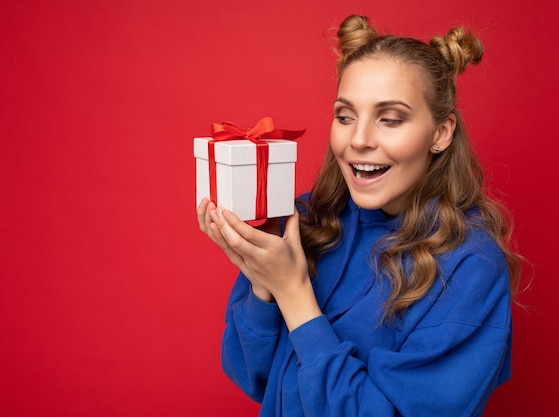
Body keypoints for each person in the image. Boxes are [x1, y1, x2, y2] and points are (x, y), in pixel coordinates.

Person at [197, 14, 523, 417]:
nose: (359, 139)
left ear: (441, 133)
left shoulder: (470, 267)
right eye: (345, 116)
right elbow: (252, 376)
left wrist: (294, 293)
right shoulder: (305, 221)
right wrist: (261, 279)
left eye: (390, 119)